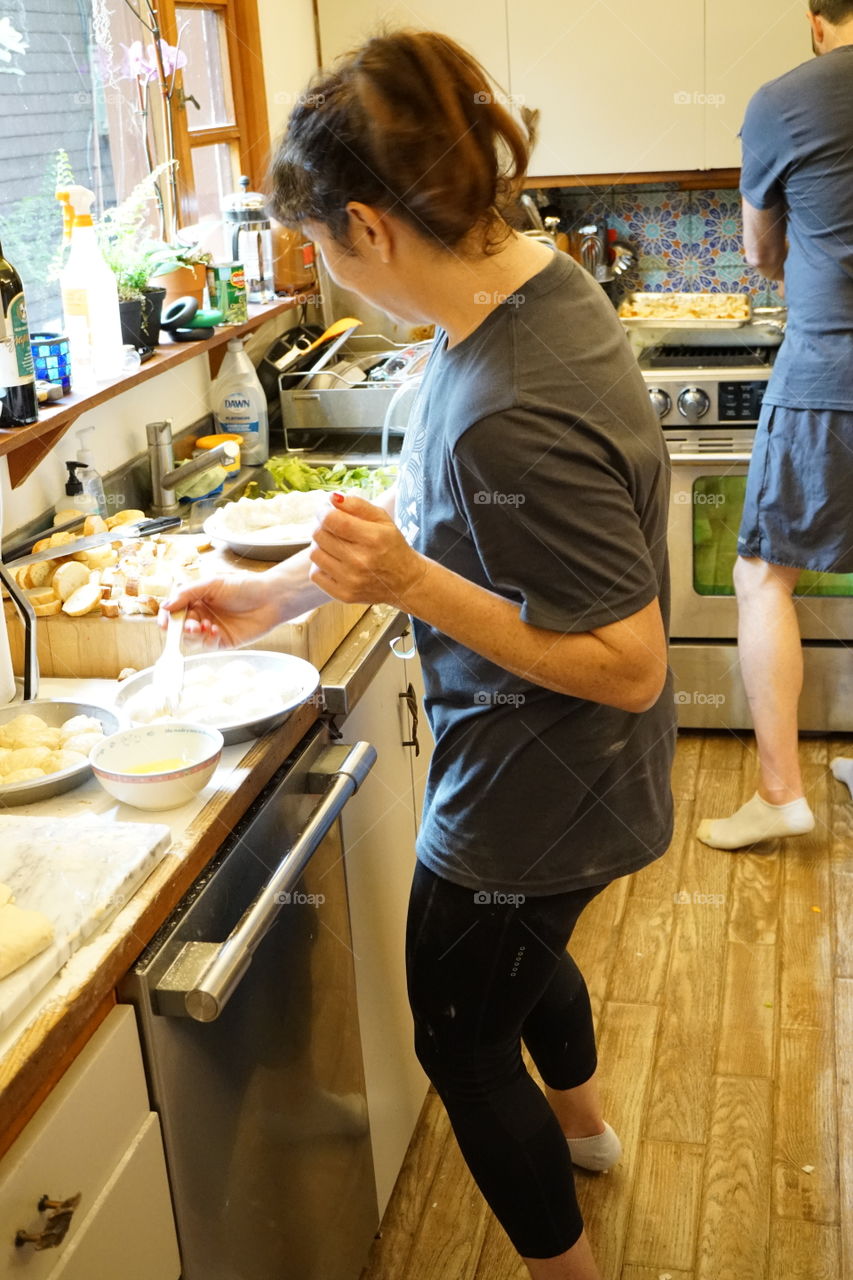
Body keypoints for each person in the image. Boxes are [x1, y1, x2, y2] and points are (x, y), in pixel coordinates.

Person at [166, 31, 675, 1280]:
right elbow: (435, 526)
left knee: (459, 1032)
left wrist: (410, 584)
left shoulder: (517, 402)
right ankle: (590, 1132)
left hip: (538, 784)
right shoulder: (517, 286)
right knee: (523, 961)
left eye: (321, 248)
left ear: (366, 226)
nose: (328, 272)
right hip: (560, 769)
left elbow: (629, 662)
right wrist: (267, 589)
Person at [698, 0, 853, 851]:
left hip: (828, 370)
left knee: (764, 578)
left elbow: (760, 255)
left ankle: (780, 792)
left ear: (814, 18)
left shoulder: (784, 100)